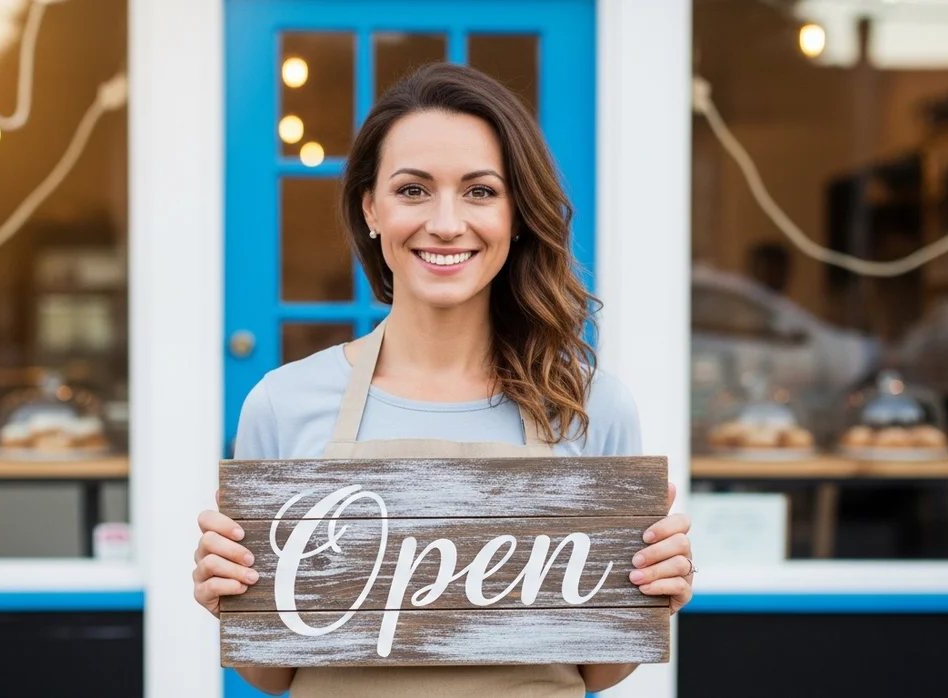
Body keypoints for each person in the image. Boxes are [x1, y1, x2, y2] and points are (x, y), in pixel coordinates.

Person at [193, 63, 694, 697]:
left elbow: (597, 673)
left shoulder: (589, 405)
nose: (447, 223)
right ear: (370, 208)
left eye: (481, 191)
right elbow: (269, 675)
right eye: (413, 190)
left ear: (517, 214)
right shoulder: (281, 402)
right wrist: (229, 599)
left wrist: (651, 598)